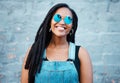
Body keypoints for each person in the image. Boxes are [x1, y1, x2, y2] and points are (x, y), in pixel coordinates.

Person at [21, 3, 93, 83]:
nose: (62, 22)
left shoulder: (81, 53)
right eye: (58, 17)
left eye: (68, 19)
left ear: (72, 26)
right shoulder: (35, 51)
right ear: (49, 21)